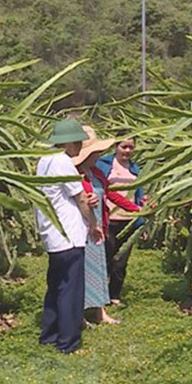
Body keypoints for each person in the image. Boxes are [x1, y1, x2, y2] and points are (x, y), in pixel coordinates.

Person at [36, 118, 103, 354]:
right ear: (70, 143)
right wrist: (93, 224)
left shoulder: (44, 160)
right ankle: (68, 342)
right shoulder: (62, 162)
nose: (79, 148)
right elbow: (81, 199)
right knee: (71, 290)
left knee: (55, 286)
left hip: (52, 234)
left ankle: (50, 334)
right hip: (69, 235)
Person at [72, 126, 142, 324]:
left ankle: (100, 312)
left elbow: (111, 194)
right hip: (83, 229)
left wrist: (136, 209)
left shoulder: (96, 173)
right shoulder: (76, 174)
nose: (99, 155)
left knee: (98, 269)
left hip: (98, 228)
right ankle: (80, 313)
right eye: (95, 152)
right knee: (83, 271)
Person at [96, 135, 146, 304]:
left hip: (129, 219)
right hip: (110, 218)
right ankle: (100, 294)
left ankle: (114, 295)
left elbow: (139, 194)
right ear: (116, 146)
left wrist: (142, 214)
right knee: (106, 257)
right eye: (124, 147)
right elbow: (103, 189)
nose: (127, 151)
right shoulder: (103, 165)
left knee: (121, 260)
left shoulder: (135, 168)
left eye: (131, 147)